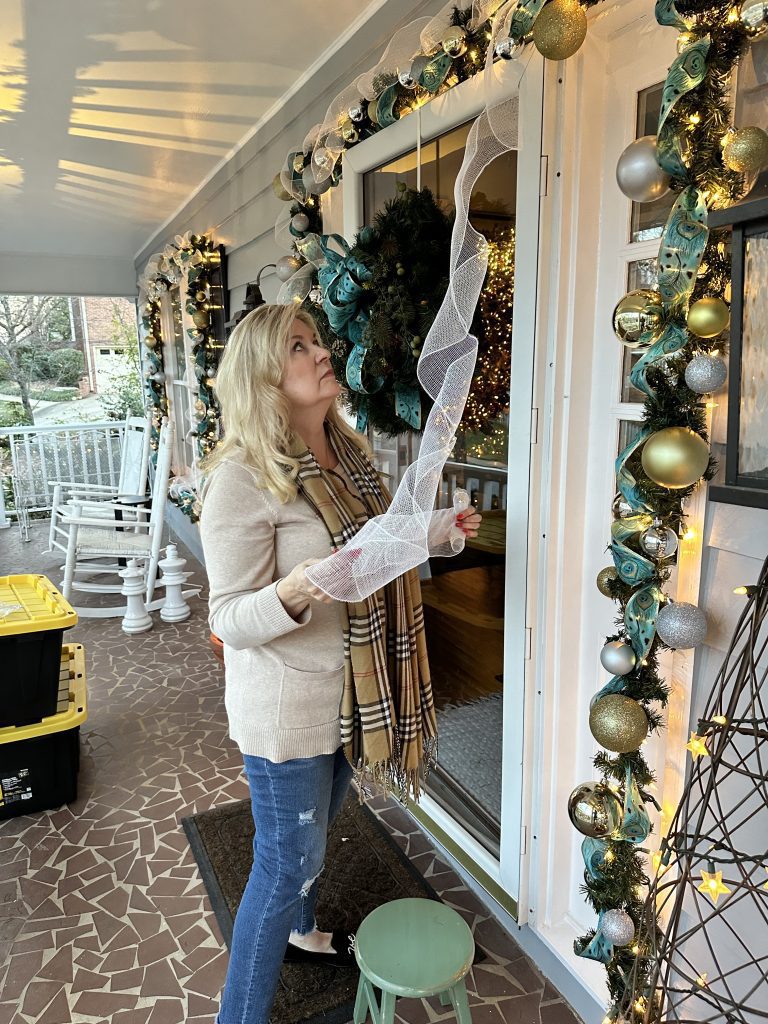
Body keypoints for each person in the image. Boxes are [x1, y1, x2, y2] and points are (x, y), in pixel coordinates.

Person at [199, 303, 481, 1024]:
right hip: (289, 709)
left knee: (314, 837)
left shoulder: (347, 454)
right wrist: (296, 590)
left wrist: (436, 531)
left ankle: (301, 930)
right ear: (264, 377)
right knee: (283, 863)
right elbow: (227, 618)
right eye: (298, 347)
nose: (322, 353)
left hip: (356, 696)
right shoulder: (241, 478)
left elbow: (373, 544)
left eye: (316, 341)